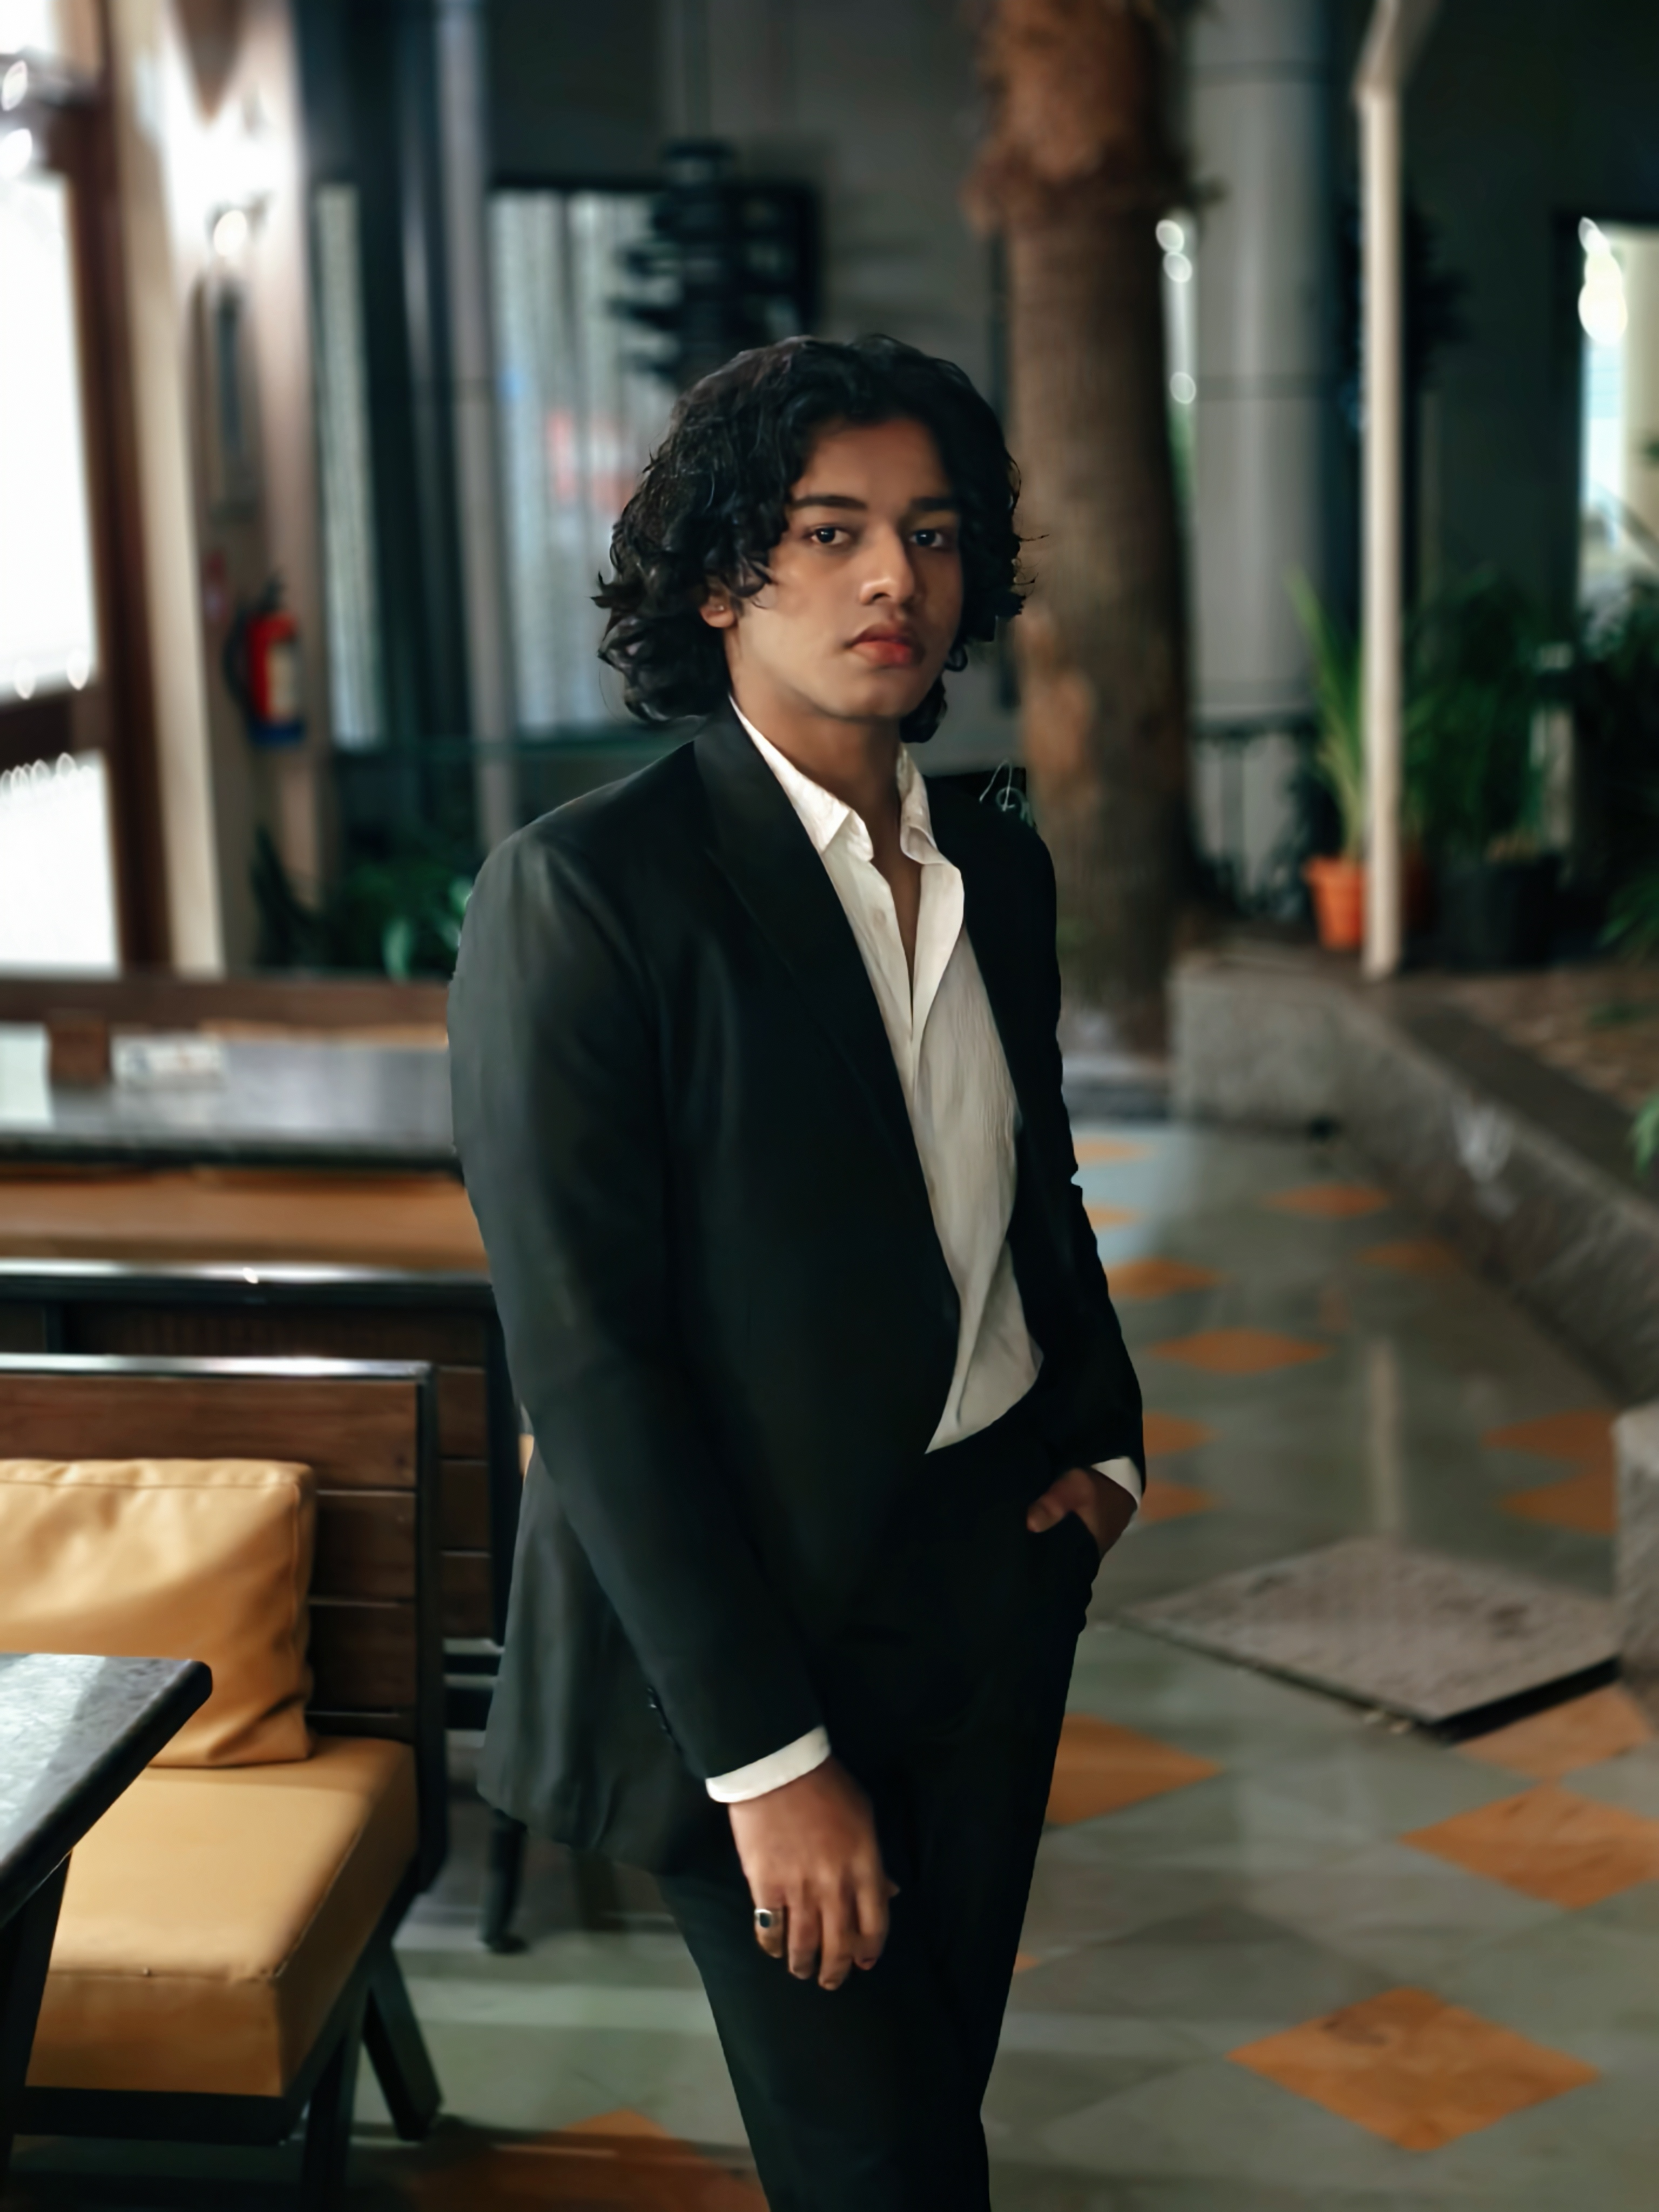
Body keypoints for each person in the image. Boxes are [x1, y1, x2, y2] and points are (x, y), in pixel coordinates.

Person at [448, 333, 1145, 2209]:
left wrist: (1103, 1446)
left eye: (932, 533)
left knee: (931, 2124)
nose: (891, 577)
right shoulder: (588, 895)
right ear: (717, 578)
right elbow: (593, 1368)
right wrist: (769, 1762)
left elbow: (1037, 1182)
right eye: (828, 532)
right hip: (751, 1646)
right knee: (880, 2173)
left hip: (993, 1578)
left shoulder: (992, 868)